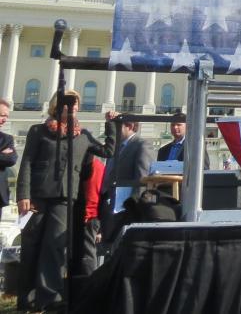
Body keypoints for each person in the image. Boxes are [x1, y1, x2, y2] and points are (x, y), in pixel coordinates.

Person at [16, 90, 115, 311]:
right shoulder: (38, 131)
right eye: (67, 103)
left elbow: (108, 151)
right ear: (56, 106)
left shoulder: (83, 136)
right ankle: (28, 299)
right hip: (37, 198)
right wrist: (23, 195)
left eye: (75, 104)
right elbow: (27, 164)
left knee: (54, 247)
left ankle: (50, 297)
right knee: (32, 247)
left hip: (64, 199)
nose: (71, 108)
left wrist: (110, 125)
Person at [101, 116, 155, 241]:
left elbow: (142, 178)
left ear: (129, 126)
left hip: (126, 209)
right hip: (111, 206)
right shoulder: (116, 147)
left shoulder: (141, 145)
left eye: (116, 128)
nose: (113, 133)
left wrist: (134, 207)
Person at [0, 99, 17, 220]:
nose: (4, 119)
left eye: (6, 116)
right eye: (1, 115)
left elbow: (11, 159)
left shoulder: (7, 139)